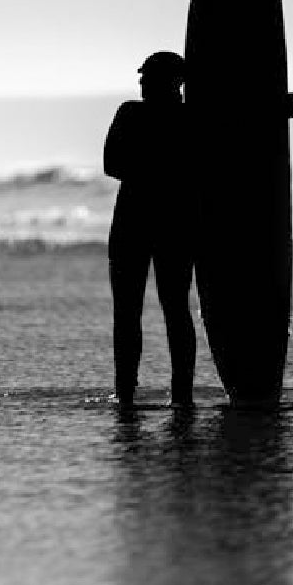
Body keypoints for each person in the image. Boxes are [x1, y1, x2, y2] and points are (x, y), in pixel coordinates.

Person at [104, 51, 196, 409]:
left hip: (142, 221)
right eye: (143, 78)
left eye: (149, 78)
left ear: (173, 82)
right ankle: (150, 394)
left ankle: (146, 395)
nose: (142, 84)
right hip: (169, 222)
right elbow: (110, 163)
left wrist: (144, 168)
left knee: (157, 310)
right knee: (161, 310)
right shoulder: (186, 118)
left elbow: (115, 163)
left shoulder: (136, 115)